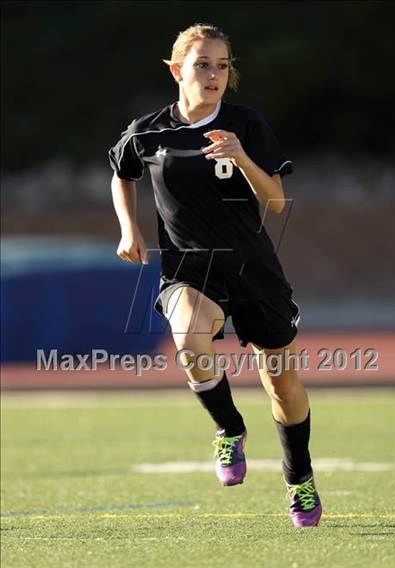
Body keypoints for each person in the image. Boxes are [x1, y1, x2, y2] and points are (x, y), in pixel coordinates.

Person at [108, 23, 322, 528]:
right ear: (177, 70)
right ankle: (229, 429)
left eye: (222, 66)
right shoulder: (148, 131)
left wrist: (240, 157)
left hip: (253, 267)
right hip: (188, 267)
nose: (213, 75)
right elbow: (122, 171)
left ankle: (300, 479)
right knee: (188, 340)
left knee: (283, 383)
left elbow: (276, 202)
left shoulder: (245, 124)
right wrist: (127, 229)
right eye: (202, 64)